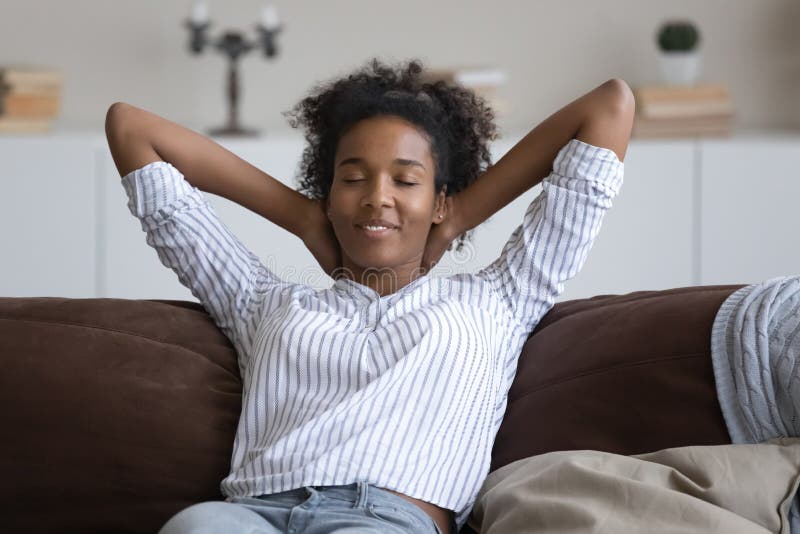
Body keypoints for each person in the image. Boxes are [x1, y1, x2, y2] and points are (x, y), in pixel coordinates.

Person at [105, 57, 634, 534]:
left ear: (439, 199)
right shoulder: (260, 302)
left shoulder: (501, 299)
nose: (377, 197)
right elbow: (131, 129)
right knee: (196, 528)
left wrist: (461, 217)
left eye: (406, 181)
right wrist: (299, 217)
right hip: (252, 514)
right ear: (329, 195)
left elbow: (609, 107)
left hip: (385, 520)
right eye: (353, 178)